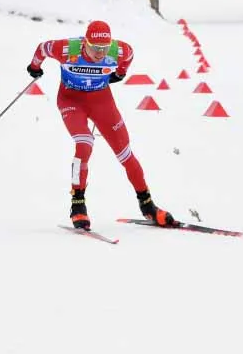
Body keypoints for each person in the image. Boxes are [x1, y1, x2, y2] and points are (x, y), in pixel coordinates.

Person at [26, 20, 177, 231]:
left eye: (104, 48)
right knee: (84, 143)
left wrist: (121, 73)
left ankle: (148, 205)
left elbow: (129, 55)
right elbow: (43, 48)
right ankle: (77, 204)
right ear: (84, 42)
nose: (100, 53)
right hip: (71, 100)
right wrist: (34, 66)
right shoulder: (66, 48)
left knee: (125, 152)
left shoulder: (118, 50)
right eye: (95, 48)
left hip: (101, 101)